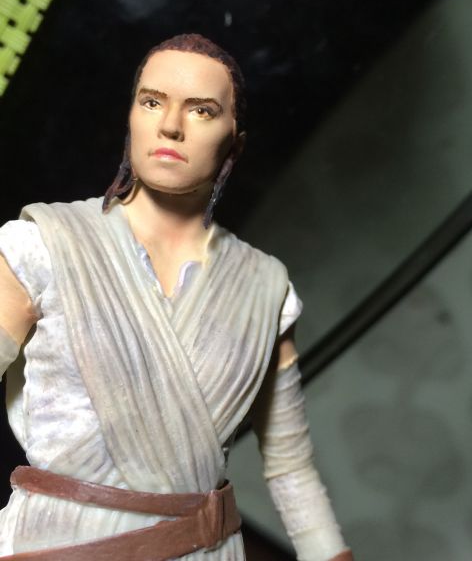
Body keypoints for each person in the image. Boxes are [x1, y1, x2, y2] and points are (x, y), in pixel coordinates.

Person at [0, 34, 353, 560]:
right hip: (57, 542)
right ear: (132, 116)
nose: (170, 125)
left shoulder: (264, 290)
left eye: (201, 110)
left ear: (233, 141)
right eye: (152, 101)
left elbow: (290, 467)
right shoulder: (43, 247)